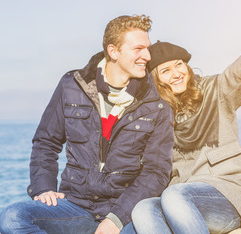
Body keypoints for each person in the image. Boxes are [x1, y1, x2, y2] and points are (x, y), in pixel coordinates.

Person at [0, 15, 174, 234]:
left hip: (125, 212)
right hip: (75, 205)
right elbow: (46, 142)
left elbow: (156, 172)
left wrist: (116, 219)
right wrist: (43, 187)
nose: (147, 56)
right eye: (138, 49)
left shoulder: (157, 105)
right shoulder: (72, 85)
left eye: (147, 48)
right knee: (12, 218)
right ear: (113, 51)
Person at [131, 17, 241, 234]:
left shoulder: (214, 91)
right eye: (166, 71)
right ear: (155, 80)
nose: (176, 73)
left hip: (223, 193)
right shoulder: (155, 116)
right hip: (179, 199)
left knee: (175, 195)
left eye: (179, 65)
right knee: (143, 208)